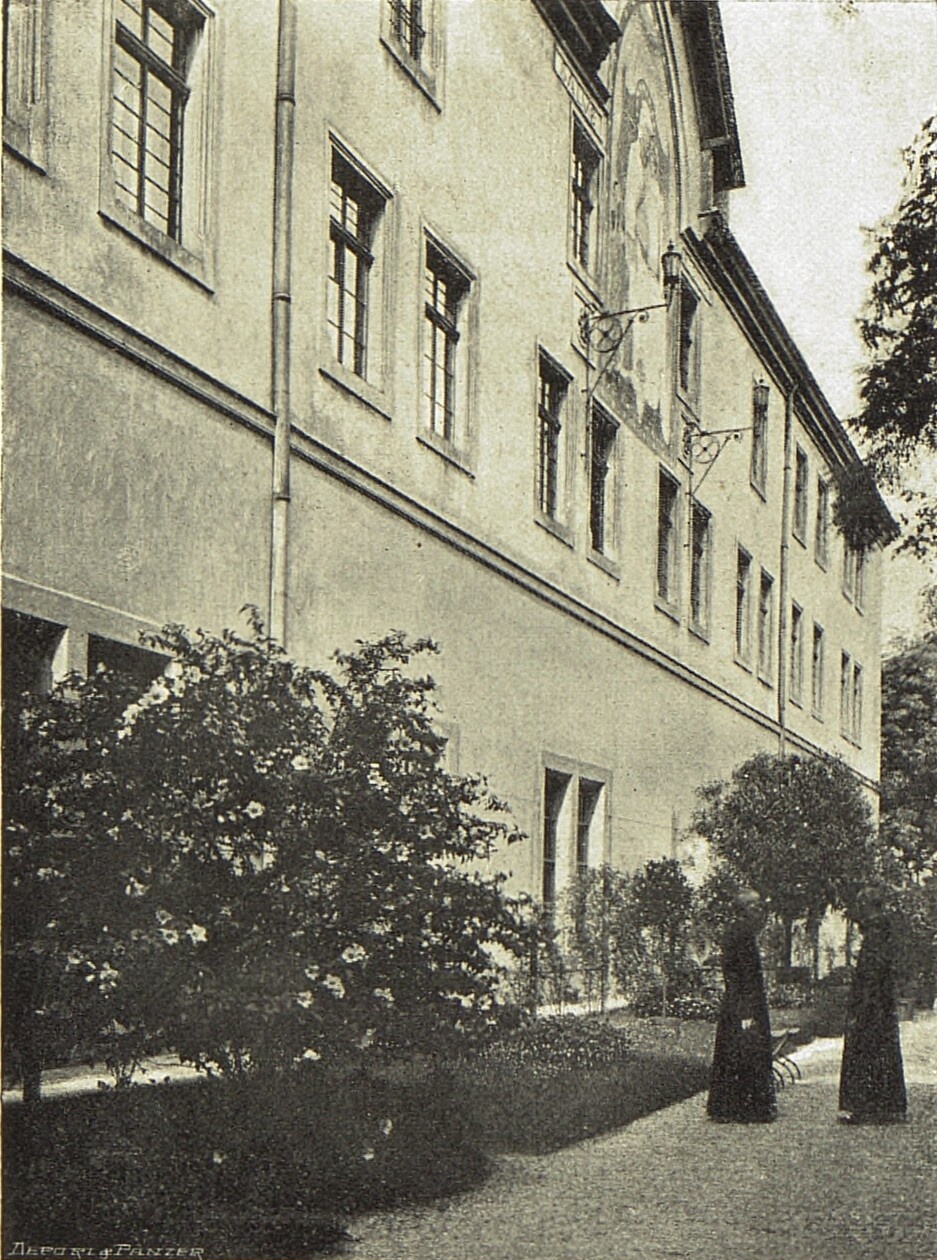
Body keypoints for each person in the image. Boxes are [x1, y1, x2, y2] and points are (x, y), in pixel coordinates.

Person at [838, 885, 908, 1124]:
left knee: (865, 1052)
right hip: (881, 1006)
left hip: (871, 1006)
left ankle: (866, 1107)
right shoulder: (883, 932)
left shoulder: (875, 934)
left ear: (866, 906)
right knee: (882, 1052)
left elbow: (871, 974)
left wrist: (861, 1007)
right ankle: (886, 1105)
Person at [707, 888, 777, 1123]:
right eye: (754, 906)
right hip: (743, 1004)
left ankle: (732, 1107)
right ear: (743, 909)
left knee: (738, 1053)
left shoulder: (741, 931)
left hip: (741, 1002)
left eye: (760, 905)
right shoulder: (741, 933)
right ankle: (747, 1108)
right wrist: (746, 1011)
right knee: (746, 1053)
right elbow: (739, 976)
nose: (760, 910)